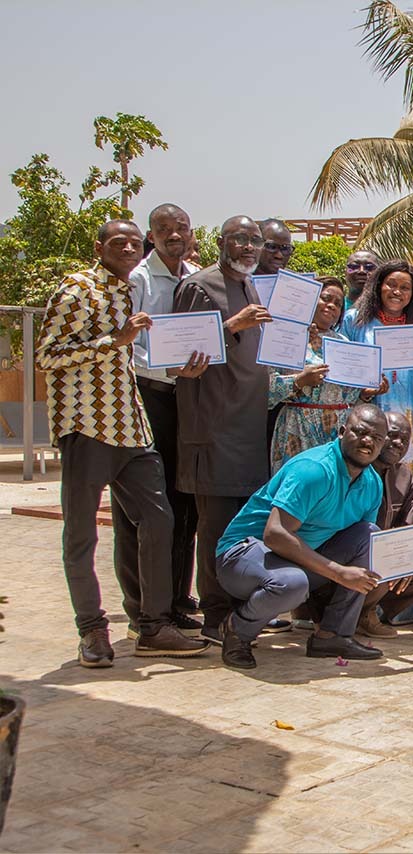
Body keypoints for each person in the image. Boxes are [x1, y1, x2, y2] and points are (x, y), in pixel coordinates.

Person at [36, 219, 209, 665]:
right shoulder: (77, 290)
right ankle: (92, 630)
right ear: (99, 248)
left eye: (134, 242)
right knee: (81, 535)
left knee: (160, 521)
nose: (129, 248)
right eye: (119, 242)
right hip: (87, 427)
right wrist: (116, 340)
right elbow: (46, 355)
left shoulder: (130, 291)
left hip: (132, 426)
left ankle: (153, 625)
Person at [213, 405, 390, 669]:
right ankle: (237, 631)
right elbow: (275, 535)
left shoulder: (372, 483)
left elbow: (358, 545)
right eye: (360, 432)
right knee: (292, 583)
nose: (368, 441)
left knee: (370, 536)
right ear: (342, 432)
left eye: (376, 438)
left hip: (297, 559)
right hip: (243, 555)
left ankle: (333, 635)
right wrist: (338, 572)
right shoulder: (314, 470)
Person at [173, 215, 273, 645]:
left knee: (242, 527)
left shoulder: (250, 285)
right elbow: (181, 353)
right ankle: (215, 615)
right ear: (221, 242)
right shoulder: (200, 286)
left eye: (255, 240)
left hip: (248, 427)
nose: (249, 247)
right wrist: (233, 326)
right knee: (215, 528)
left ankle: (242, 607)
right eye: (240, 239)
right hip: (214, 427)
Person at [124, 203, 201, 625]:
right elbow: (127, 346)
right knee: (149, 506)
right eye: (164, 229)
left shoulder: (196, 277)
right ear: (151, 236)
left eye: (181, 228)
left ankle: (177, 596)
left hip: (188, 401)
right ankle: (142, 607)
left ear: (191, 234)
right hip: (150, 398)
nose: (174, 235)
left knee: (184, 499)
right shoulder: (137, 279)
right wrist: (167, 368)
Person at [269, 279, 385, 472]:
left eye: (338, 303)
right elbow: (265, 393)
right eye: (326, 298)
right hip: (297, 428)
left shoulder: (344, 343)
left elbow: (349, 397)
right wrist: (299, 381)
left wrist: (365, 394)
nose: (332, 305)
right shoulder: (288, 337)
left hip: (336, 431)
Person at [355, 412, 413, 638]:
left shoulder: (404, 475)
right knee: (387, 563)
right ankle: (348, 612)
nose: (398, 443)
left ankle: (369, 610)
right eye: (392, 436)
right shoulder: (355, 470)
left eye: (405, 440)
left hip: (385, 557)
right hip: (352, 556)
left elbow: (410, 527)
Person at [341, 260, 413, 472]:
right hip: (370, 409)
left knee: (403, 476)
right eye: (391, 284)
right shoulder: (355, 321)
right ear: (379, 285)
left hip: (410, 409)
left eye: (405, 287)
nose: (397, 292)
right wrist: (362, 391)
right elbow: (342, 366)